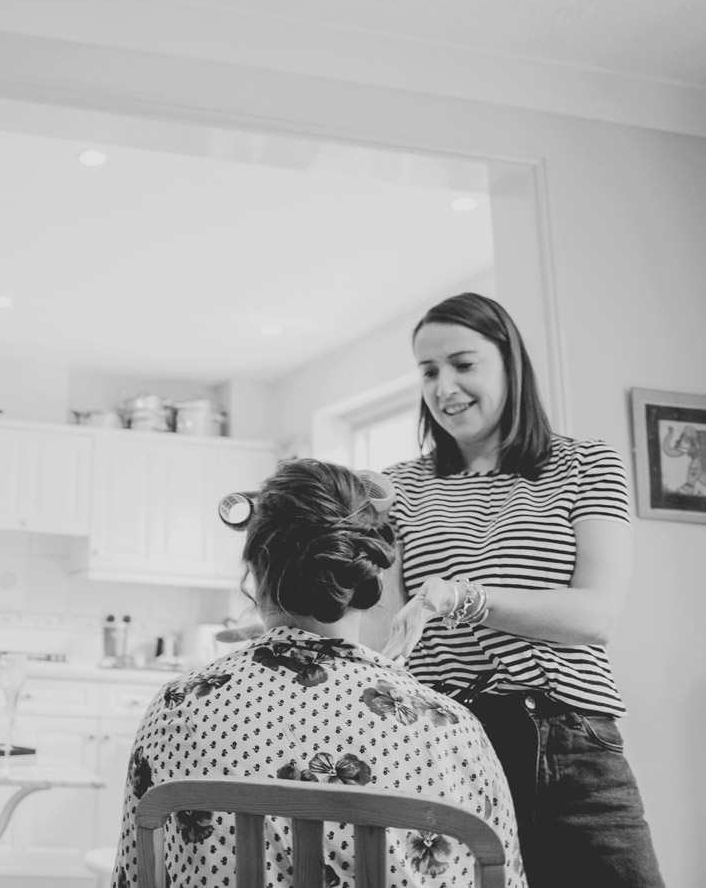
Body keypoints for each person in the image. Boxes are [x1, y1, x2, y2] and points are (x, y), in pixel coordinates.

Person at [112, 459, 526, 888]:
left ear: (255, 568)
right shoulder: (451, 730)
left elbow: (133, 875)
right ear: (369, 572)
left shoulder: (178, 707)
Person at [380, 291, 663, 888]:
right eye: (428, 372)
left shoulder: (586, 465)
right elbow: (384, 629)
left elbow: (593, 614)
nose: (444, 387)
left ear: (509, 361)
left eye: (463, 363)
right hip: (438, 746)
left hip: (565, 741)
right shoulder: (396, 487)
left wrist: (460, 597)